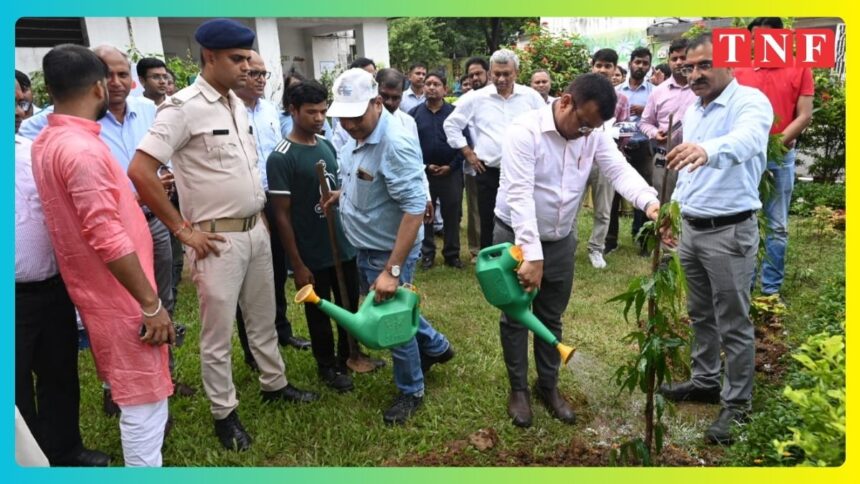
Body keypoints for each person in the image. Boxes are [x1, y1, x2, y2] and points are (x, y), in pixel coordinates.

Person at [128, 18, 318, 452]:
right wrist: (181, 230)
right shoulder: (182, 107)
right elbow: (140, 170)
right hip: (215, 239)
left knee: (263, 317)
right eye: (236, 60)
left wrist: (261, 219)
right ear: (209, 57)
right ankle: (224, 413)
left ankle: (274, 383)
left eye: (248, 59)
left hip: (255, 229)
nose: (245, 68)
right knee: (217, 335)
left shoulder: (237, 103)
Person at [31, 44, 173, 466]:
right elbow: (106, 236)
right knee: (144, 404)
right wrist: (149, 303)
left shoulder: (48, 141)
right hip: (121, 296)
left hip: (101, 289)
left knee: (139, 397)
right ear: (97, 86)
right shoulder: (81, 150)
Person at [496, 73, 660, 428]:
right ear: (567, 101)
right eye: (583, 123)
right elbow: (520, 194)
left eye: (593, 128)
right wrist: (532, 256)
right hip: (516, 237)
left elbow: (618, 170)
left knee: (551, 315)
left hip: (560, 238)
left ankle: (548, 385)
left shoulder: (594, 133)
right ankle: (518, 390)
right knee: (516, 316)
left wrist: (650, 202)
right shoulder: (524, 131)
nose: (585, 133)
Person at [658, 33, 773, 446]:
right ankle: (705, 380)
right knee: (701, 313)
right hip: (692, 226)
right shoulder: (694, 110)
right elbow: (686, 168)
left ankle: (737, 403)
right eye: (689, 67)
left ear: (731, 63)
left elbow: (747, 142)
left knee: (734, 321)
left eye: (704, 65)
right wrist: (672, 209)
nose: (695, 74)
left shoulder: (751, 103)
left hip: (729, 232)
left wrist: (708, 150)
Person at [324, 68, 455, 425]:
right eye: (343, 118)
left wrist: (392, 271)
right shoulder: (357, 133)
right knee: (393, 309)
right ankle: (438, 346)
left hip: (388, 249)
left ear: (377, 103)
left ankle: (412, 390)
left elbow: (415, 209)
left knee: (391, 322)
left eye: (355, 116)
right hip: (369, 245)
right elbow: (369, 181)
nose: (349, 125)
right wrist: (342, 194)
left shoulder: (394, 142)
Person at [15, 76, 111, 467]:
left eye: (22, 102)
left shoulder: (31, 150)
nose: (20, 109)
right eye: (13, 102)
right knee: (15, 389)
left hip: (53, 286)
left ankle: (65, 450)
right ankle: (28, 460)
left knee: (60, 374)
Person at [267, 79, 356, 392]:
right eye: (311, 112)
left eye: (322, 111)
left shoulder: (326, 145)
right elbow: (281, 214)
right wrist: (297, 263)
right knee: (320, 309)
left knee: (349, 303)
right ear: (292, 110)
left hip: (342, 243)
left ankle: (350, 354)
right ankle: (327, 364)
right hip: (311, 249)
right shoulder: (281, 157)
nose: (319, 118)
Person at [234, 50, 312, 371]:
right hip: (246, 204)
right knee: (249, 281)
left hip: (276, 198)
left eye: (264, 74)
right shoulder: (230, 110)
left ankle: (282, 331)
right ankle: (253, 349)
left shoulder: (268, 111)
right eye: (254, 74)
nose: (261, 80)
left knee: (278, 271)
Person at [735, 17, 814, 299]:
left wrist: (775, 145)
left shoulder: (800, 68)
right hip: (745, 157)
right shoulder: (739, 70)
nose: (760, 45)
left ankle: (770, 290)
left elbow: (804, 114)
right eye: (754, 40)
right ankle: (745, 284)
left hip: (779, 156)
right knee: (745, 220)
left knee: (776, 224)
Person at [444, 49, 545, 249]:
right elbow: (451, 125)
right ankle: (491, 267)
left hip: (523, 171)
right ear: (490, 73)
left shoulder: (531, 97)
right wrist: (468, 153)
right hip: (488, 172)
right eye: (496, 73)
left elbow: (546, 127)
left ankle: (526, 261)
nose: (501, 79)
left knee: (524, 218)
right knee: (489, 221)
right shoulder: (477, 98)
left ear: (516, 72)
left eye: (506, 74)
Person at [409, 71, 468, 269]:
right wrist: (425, 166)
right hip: (424, 174)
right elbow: (408, 145)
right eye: (428, 84)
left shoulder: (455, 113)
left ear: (445, 89)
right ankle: (427, 254)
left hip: (450, 173)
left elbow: (465, 144)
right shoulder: (414, 115)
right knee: (425, 214)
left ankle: (452, 254)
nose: (431, 87)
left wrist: (451, 167)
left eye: (436, 84)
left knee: (452, 214)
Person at [580, 48, 631, 269]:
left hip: (605, 162)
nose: (602, 70)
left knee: (603, 208)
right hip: (579, 158)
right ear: (592, 66)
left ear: (615, 69)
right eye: (599, 65)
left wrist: (614, 144)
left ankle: (596, 249)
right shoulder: (579, 93)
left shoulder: (622, 99)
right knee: (570, 204)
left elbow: (626, 129)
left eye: (607, 66)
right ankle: (566, 246)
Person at [640, 38, 698, 204]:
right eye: (674, 59)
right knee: (663, 201)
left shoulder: (701, 89)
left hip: (694, 157)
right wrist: (654, 133)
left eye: (683, 57)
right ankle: (662, 230)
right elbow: (644, 123)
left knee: (691, 202)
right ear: (668, 61)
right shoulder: (658, 92)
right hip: (664, 157)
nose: (679, 62)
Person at [616, 47, 655, 254]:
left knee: (645, 191)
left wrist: (644, 110)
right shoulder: (617, 91)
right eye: (637, 62)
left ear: (649, 66)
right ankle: (610, 239)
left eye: (645, 63)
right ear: (630, 63)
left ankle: (642, 238)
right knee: (614, 194)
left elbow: (655, 120)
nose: (640, 66)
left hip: (643, 148)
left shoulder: (654, 92)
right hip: (620, 148)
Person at [458, 56, 490, 261]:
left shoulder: (497, 98)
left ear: (488, 73)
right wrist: (468, 154)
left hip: (500, 163)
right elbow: (454, 129)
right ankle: (477, 248)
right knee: (476, 207)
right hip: (474, 164)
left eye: (479, 73)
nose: (475, 78)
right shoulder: (464, 101)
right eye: (471, 75)